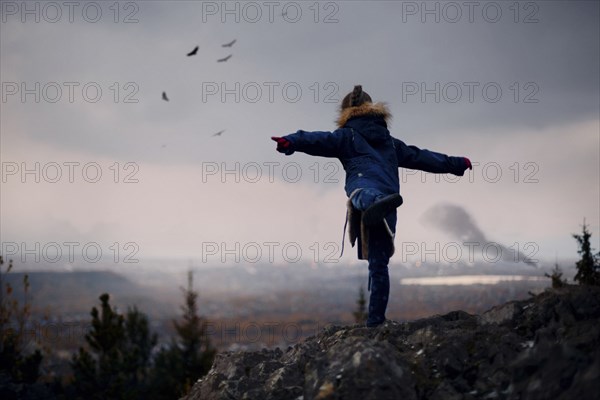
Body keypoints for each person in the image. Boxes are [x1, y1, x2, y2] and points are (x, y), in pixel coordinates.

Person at [271, 85, 471, 327]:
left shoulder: (347, 136)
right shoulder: (391, 143)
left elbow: (317, 140)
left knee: (358, 192)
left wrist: (289, 142)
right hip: (388, 202)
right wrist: (456, 163)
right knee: (379, 264)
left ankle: (373, 202)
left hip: (369, 192)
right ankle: (376, 321)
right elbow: (421, 157)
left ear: (346, 113)